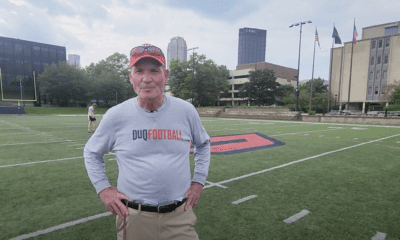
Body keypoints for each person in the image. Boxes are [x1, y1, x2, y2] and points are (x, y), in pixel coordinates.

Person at [84, 43, 210, 240]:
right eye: (139, 71)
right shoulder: (116, 115)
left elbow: (203, 144)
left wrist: (199, 182)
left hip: (179, 216)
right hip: (134, 217)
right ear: (130, 76)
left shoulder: (186, 111)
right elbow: (91, 152)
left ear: (165, 75)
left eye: (154, 70)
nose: (147, 79)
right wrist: (104, 189)